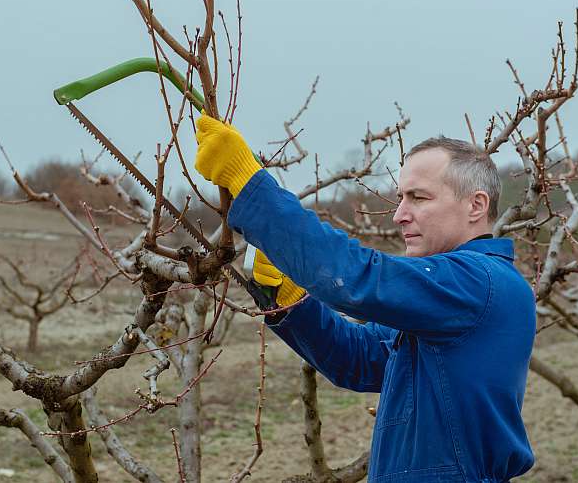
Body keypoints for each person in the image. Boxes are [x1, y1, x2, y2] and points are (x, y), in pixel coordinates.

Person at [194, 116, 535, 483]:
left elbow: (358, 279)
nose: (400, 215)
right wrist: (291, 300)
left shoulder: (478, 281)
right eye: (401, 198)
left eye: (418, 198)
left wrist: (248, 184)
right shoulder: (447, 304)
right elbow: (356, 359)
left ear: (476, 206)